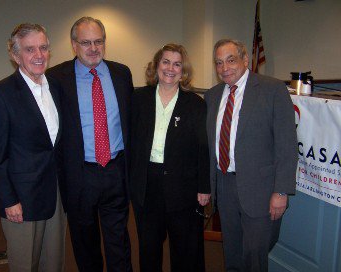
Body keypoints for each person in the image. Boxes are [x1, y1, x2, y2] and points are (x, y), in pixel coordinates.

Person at [46, 17, 133, 272]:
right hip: (80, 174)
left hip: (116, 169)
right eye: (86, 42)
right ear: (74, 44)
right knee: (85, 243)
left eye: (98, 41)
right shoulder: (56, 78)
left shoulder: (121, 73)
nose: (93, 48)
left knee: (119, 240)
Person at [204, 39, 297, 272]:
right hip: (224, 185)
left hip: (261, 190)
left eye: (231, 60)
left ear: (245, 60)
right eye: (219, 62)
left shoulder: (273, 89)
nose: (224, 67)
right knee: (232, 252)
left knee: (255, 256)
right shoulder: (213, 95)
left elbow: (286, 145)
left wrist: (281, 190)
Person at [0, 23, 66, 272]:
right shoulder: (1, 94)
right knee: (24, 265)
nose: (38, 55)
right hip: (22, 199)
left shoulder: (57, 88)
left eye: (43, 48)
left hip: (56, 194)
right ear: (15, 55)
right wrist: (8, 200)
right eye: (30, 49)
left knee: (53, 262)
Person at [130, 43, 210, 272]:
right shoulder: (138, 98)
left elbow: (203, 148)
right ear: (156, 66)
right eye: (166, 62)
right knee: (148, 249)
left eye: (177, 64)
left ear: (183, 71)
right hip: (147, 185)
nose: (170, 68)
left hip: (183, 187)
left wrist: (204, 187)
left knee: (185, 251)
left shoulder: (195, 104)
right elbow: (129, 140)